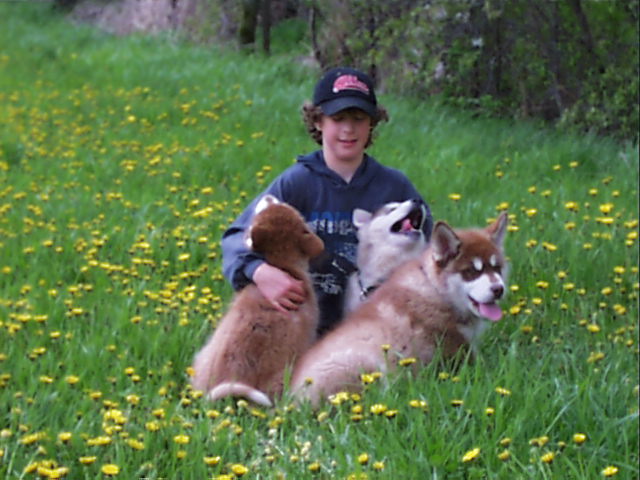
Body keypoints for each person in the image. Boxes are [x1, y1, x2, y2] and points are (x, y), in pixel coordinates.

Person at [221, 66, 433, 335]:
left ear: (372, 123)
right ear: (318, 121)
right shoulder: (296, 183)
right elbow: (237, 238)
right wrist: (259, 272)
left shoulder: (394, 188)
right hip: (302, 323)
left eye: (358, 118)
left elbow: (434, 255)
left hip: (378, 326)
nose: (348, 129)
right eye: (338, 118)